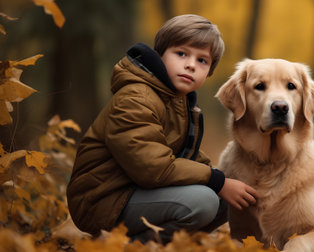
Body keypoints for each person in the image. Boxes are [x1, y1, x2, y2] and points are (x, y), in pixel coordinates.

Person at [66, 14, 258, 244]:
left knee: (232, 198)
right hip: (102, 200)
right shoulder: (136, 97)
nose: (190, 65)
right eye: (181, 54)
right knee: (205, 201)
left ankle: (173, 243)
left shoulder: (178, 101)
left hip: (136, 192)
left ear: (209, 72)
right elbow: (152, 168)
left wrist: (226, 179)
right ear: (160, 55)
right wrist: (217, 180)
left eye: (202, 61)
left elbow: (186, 154)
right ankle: (126, 245)